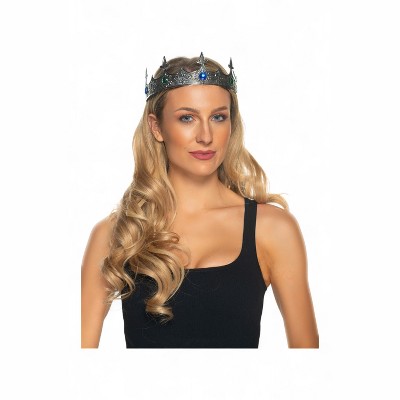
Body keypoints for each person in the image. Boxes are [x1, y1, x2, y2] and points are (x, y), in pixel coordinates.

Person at [81, 52, 319, 348]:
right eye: (187, 118)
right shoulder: (118, 234)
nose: (206, 136)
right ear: (157, 127)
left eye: (218, 117)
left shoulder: (271, 229)